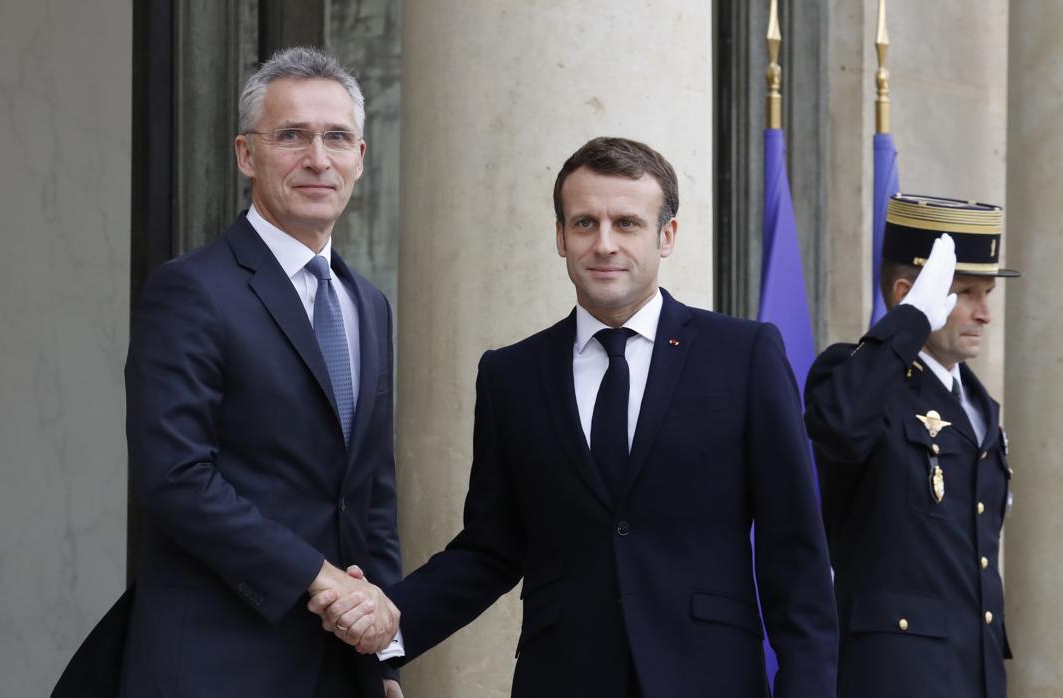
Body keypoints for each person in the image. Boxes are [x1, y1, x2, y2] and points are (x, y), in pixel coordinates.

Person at [314, 136, 838, 697]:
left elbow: (795, 553)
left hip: (709, 678)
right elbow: (490, 547)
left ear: (667, 236)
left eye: (627, 224)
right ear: (561, 238)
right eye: (585, 223)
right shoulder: (510, 374)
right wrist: (391, 621)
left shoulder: (744, 355)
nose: (604, 244)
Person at [119, 46, 402, 698]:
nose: (317, 159)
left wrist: (381, 653)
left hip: (339, 671)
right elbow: (175, 477)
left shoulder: (369, 306)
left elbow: (372, 494)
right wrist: (318, 576)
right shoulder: (190, 290)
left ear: (361, 158)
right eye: (292, 137)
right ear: (247, 154)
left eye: (337, 138)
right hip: (218, 664)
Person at [804, 194, 1018, 698]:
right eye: (966, 292)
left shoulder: (978, 404)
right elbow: (839, 424)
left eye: (988, 293)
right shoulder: (855, 378)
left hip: (973, 673)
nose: (985, 313)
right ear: (909, 294)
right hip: (896, 675)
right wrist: (909, 322)